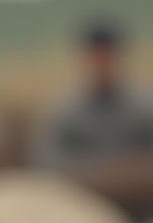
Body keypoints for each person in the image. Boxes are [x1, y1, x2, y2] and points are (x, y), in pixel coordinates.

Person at [33, 18, 153, 171]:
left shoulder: (144, 105)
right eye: (96, 55)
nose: (101, 62)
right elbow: (47, 160)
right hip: (80, 191)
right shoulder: (64, 110)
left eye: (107, 54)